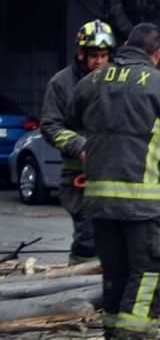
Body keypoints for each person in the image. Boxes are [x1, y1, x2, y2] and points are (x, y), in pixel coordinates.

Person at [66, 22, 160, 340]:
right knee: (148, 277)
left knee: (115, 278)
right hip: (147, 208)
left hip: (100, 205)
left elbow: (71, 124)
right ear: (157, 53)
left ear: (124, 46)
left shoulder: (91, 81)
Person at [40, 19, 115, 265]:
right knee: (88, 237)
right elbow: (50, 126)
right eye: (94, 56)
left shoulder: (117, 79)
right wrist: (79, 145)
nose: (99, 62)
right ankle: (78, 284)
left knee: (116, 236)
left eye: (104, 55)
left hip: (116, 172)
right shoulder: (61, 84)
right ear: (80, 53)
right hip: (78, 177)